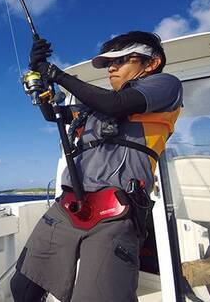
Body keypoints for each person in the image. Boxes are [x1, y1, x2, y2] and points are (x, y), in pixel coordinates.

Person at [11, 31, 183, 302]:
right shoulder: (93, 107)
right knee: (23, 285)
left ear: (152, 63)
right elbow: (53, 115)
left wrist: (57, 74)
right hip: (68, 206)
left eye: (124, 59)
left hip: (115, 213)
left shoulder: (166, 85)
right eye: (108, 63)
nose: (112, 67)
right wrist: (37, 73)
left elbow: (115, 104)